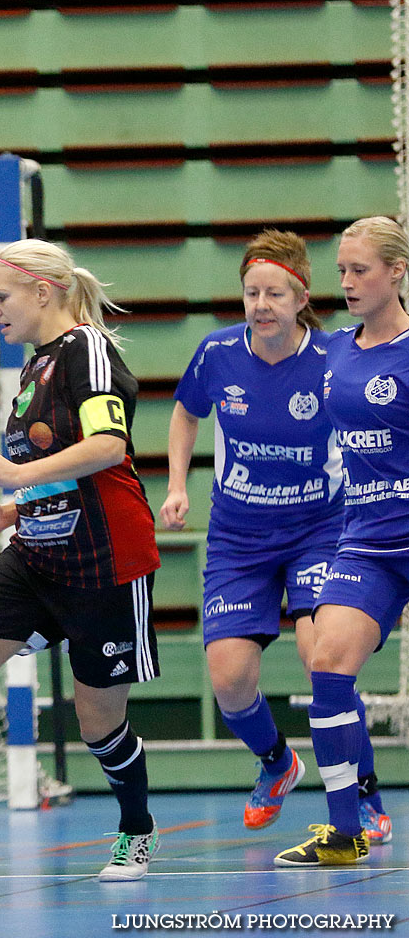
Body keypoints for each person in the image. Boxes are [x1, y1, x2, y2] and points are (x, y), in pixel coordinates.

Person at [0, 239, 162, 882]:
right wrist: (10, 512)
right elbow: (60, 470)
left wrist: (11, 473)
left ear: (42, 292)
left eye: (2, 296)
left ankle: (136, 828)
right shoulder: (35, 367)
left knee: (97, 722)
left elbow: (108, 447)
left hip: (103, 560)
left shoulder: (87, 349)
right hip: (37, 553)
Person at [162, 229, 390, 842]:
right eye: (250, 293)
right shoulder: (217, 354)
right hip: (239, 537)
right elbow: (185, 413)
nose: (260, 304)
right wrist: (178, 485)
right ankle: (276, 762)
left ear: (300, 297)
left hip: (322, 530)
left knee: (326, 662)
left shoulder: (331, 358)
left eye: (274, 293)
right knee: (229, 678)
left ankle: (364, 794)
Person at [275, 216, 409, 867]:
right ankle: (343, 830)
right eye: (342, 272)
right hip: (368, 543)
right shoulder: (337, 353)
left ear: (396, 272)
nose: (349, 283)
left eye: (361, 270)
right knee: (327, 663)